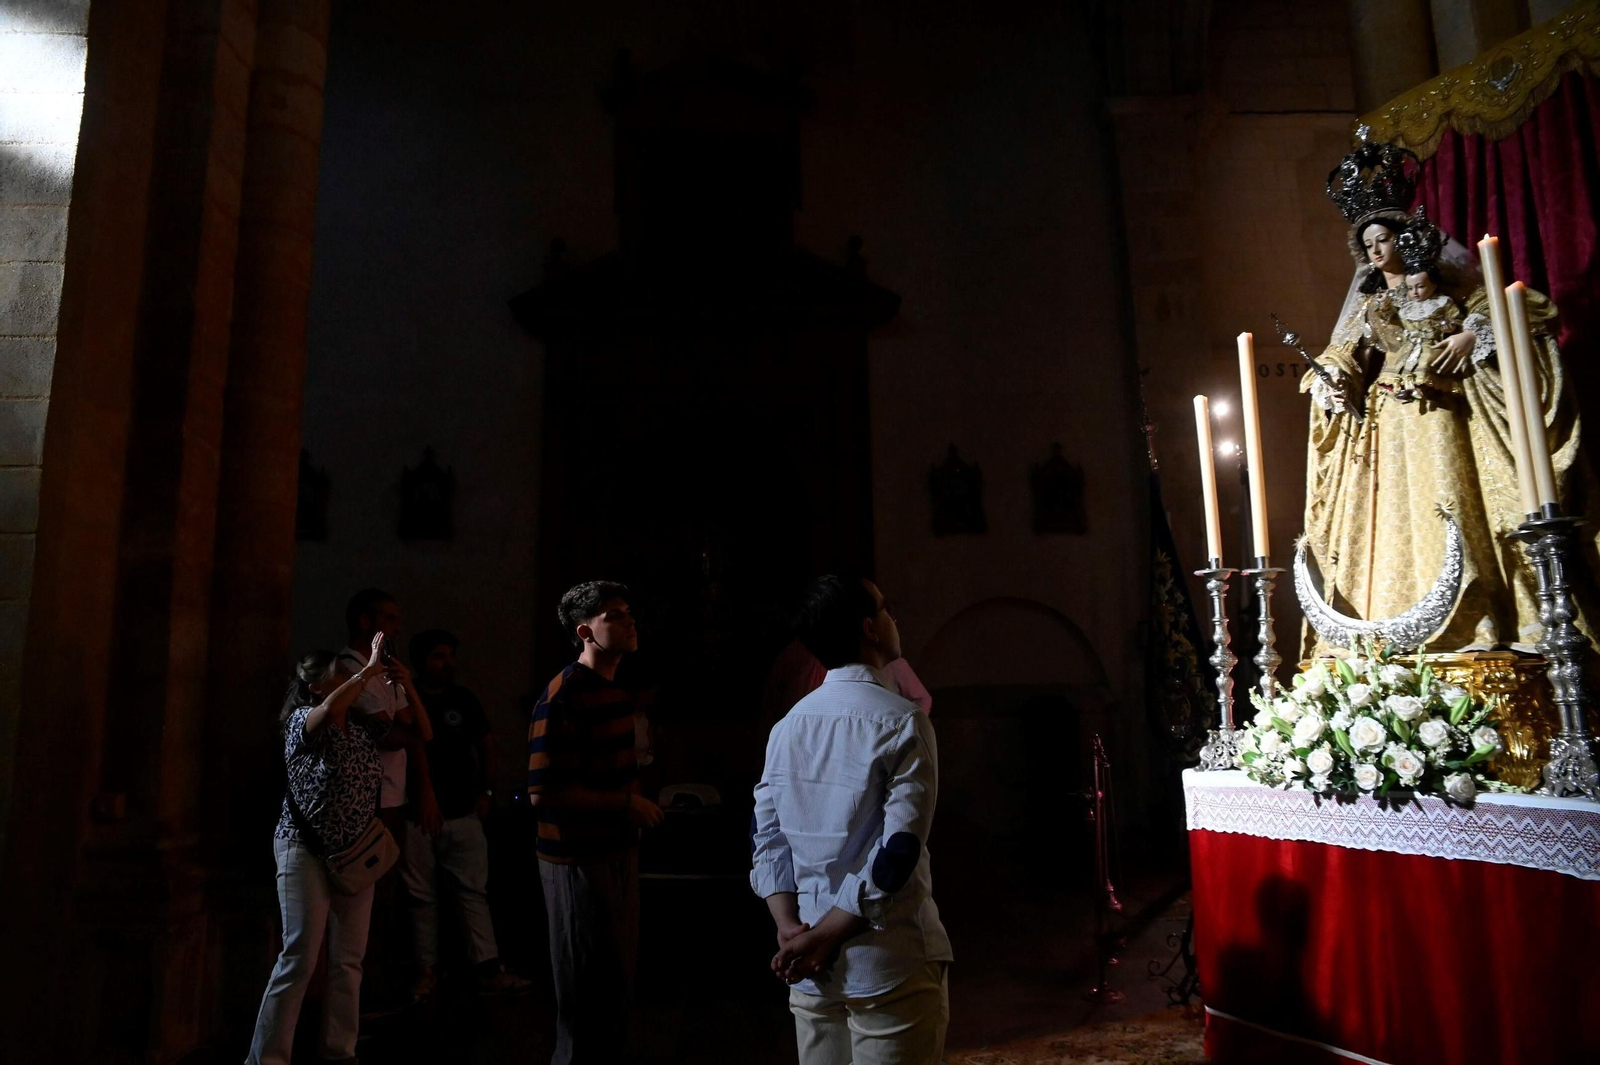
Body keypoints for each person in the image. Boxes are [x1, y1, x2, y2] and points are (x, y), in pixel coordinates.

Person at [1302, 131, 1588, 653]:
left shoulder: (1444, 285)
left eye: (1383, 240)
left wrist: (1472, 333)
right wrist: (1333, 380)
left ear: (1403, 238)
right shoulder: (1370, 303)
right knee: (1393, 518)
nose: (1375, 251)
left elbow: (1516, 303)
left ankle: (1479, 616)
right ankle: (1392, 624)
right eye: (1367, 245)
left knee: (1447, 498)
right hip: (1386, 422)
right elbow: (1343, 350)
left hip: (1441, 411)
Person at [751, 574, 952, 1065]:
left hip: (808, 964)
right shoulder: (902, 720)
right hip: (887, 958)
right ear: (870, 628)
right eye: (886, 608)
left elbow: (767, 839)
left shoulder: (786, 727)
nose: (894, 618)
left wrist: (789, 926)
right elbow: (898, 851)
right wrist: (831, 933)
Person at [528, 580, 664, 1065]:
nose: (629, 622)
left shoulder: (615, 693)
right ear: (585, 631)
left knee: (614, 988)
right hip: (577, 860)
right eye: (614, 615)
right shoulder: (565, 695)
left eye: (628, 612)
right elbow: (543, 791)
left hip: (616, 852)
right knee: (584, 991)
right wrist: (626, 805)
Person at [246, 635, 394, 1065]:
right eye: (341, 675)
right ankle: (267, 1058)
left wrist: (403, 685)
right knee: (299, 957)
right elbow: (328, 710)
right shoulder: (303, 720)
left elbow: (418, 730)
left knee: (349, 959)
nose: (352, 680)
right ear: (316, 687)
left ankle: (339, 1051)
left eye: (352, 675)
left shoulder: (360, 729)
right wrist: (368, 671)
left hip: (353, 853)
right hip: (304, 849)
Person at [402, 629, 531, 998]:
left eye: (450, 656)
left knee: (473, 891)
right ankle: (426, 970)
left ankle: (487, 967)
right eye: (439, 656)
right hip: (418, 813)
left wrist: (487, 792)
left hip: (462, 811)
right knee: (420, 896)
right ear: (421, 661)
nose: (448, 663)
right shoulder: (406, 700)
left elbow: (487, 745)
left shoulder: (462, 699)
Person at [339, 588, 433, 1009]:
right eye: (389, 618)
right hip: (368, 802)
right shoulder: (349, 671)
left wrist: (408, 686)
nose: (398, 627)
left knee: (387, 899)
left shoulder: (387, 673)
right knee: (367, 904)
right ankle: (362, 999)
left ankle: (374, 993)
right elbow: (394, 733)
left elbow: (417, 730)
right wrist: (406, 728)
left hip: (392, 799)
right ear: (365, 621)